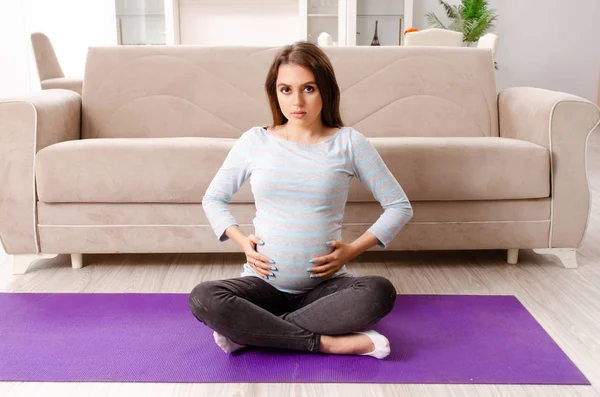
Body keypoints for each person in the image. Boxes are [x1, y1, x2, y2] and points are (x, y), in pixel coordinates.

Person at [188, 41, 413, 359]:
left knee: (379, 292)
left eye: (308, 88)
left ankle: (252, 333)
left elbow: (399, 206)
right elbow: (214, 198)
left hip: (327, 288)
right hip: (261, 285)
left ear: (325, 90)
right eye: (285, 89)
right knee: (203, 297)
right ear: (274, 92)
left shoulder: (349, 143)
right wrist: (242, 242)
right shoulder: (255, 141)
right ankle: (327, 343)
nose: (296, 101)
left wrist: (351, 250)